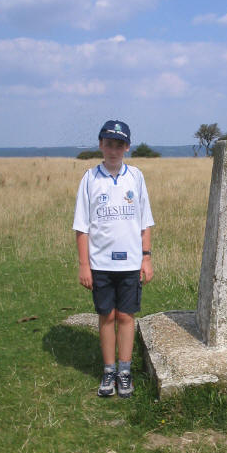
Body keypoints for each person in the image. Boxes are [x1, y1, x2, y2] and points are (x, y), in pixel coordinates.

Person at [73, 120, 154, 397]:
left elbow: (145, 222)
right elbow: (81, 227)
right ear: (100, 145)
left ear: (127, 147)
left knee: (126, 316)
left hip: (130, 263)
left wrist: (146, 258)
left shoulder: (136, 177)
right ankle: (108, 371)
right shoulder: (90, 178)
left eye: (119, 145)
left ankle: (124, 370)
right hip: (101, 265)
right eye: (108, 144)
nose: (113, 150)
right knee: (106, 315)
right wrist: (85, 265)